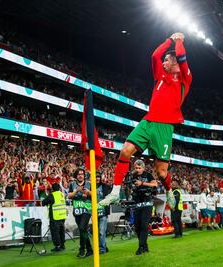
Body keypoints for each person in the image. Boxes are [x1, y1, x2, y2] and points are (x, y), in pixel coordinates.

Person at [100, 32, 192, 209]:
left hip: (165, 128)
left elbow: (181, 55)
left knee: (161, 172)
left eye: (167, 60)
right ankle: (114, 192)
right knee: (125, 151)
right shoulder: (160, 76)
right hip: (148, 121)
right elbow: (154, 55)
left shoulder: (184, 80)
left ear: (174, 62)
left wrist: (179, 39)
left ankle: (168, 190)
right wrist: (169, 40)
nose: (163, 62)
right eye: (164, 60)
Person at [129, 160, 158, 255]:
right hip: (137, 203)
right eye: (136, 168)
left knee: (144, 225)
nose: (137, 170)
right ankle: (144, 246)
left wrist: (142, 183)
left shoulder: (148, 175)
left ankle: (141, 246)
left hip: (147, 203)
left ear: (143, 168)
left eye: (139, 168)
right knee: (137, 227)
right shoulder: (132, 176)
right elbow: (129, 187)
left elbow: (155, 184)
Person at [68, 168, 93, 258]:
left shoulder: (89, 184)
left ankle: (82, 250)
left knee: (82, 227)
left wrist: (88, 193)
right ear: (76, 175)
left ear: (84, 175)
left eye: (82, 174)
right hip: (77, 210)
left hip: (86, 209)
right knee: (83, 230)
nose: (80, 175)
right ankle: (89, 250)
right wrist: (76, 191)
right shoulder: (72, 184)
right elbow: (69, 196)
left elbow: (95, 195)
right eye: (78, 174)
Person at [42, 183, 66, 252]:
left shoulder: (52, 195)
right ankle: (62, 245)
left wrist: (47, 194)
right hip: (62, 215)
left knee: (55, 232)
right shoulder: (61, 194)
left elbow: (43, 202)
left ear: (52, 189)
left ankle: (57, 246)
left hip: (55, 216)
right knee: (62, 231)